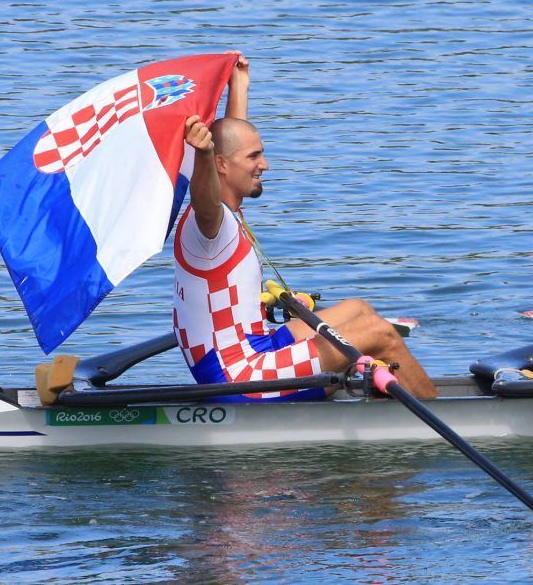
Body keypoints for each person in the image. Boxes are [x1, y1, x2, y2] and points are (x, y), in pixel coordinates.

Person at [174, 54, 437, 400]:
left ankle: (390, 402)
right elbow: (210, 186)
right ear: (221, 166)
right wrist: (203, 154)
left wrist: (239, 86)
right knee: (379, 333)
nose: (264, 164)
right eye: (255, 158)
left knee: (358, 309)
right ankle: (448, 416)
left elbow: (231, 141)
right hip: (238, 377)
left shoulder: (226, 199)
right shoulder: (208, 222)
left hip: (255, 345)